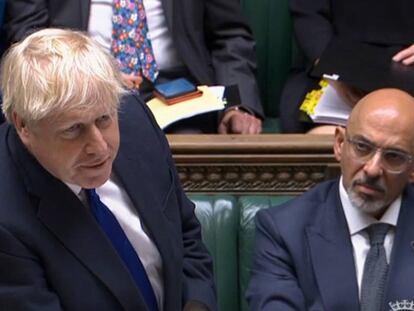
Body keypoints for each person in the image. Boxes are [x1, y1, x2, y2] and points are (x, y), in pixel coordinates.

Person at [0, 28, 216, 311]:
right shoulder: (6, 220)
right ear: (24, 125)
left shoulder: (135, 121)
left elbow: (187, 237)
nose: (100, 147)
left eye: (103, 119)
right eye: (73, 130)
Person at [247, 88, 414, 310]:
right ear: (339, 144)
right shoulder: (284, 230)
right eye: (362, 147)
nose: (372, 169)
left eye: (393, 156)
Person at [4, 0, 263, 134]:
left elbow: (229, 36)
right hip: (78, 90)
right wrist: (87, 76)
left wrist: (237, 106)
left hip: (180, 96)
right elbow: (28, 39)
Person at [279, 0, 414, 133]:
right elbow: (309, 16)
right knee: (327, 134)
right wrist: (332, 68)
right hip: (334, 63)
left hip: (408, 63)